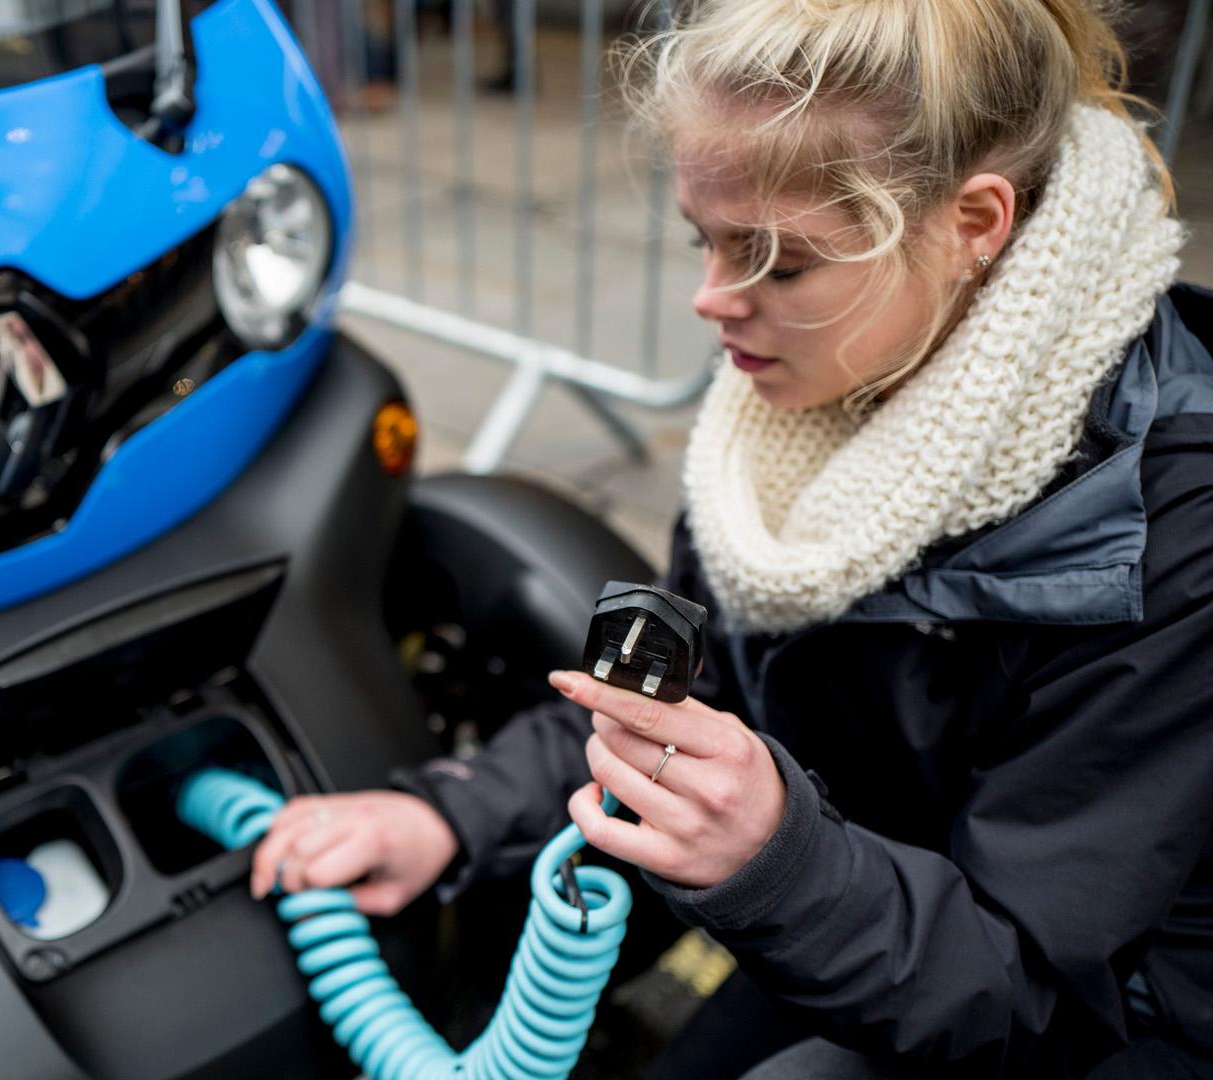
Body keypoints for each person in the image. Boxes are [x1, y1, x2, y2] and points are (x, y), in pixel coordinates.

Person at [250, 1, 1213, 1076]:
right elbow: (691, 702)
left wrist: (775, 859)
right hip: (877, 890)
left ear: (975, 226)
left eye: (779, 263)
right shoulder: (810, 382)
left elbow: (1037, 982)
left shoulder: (1175, 529)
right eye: (703, 240)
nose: (714, 302)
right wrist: (450, 816)